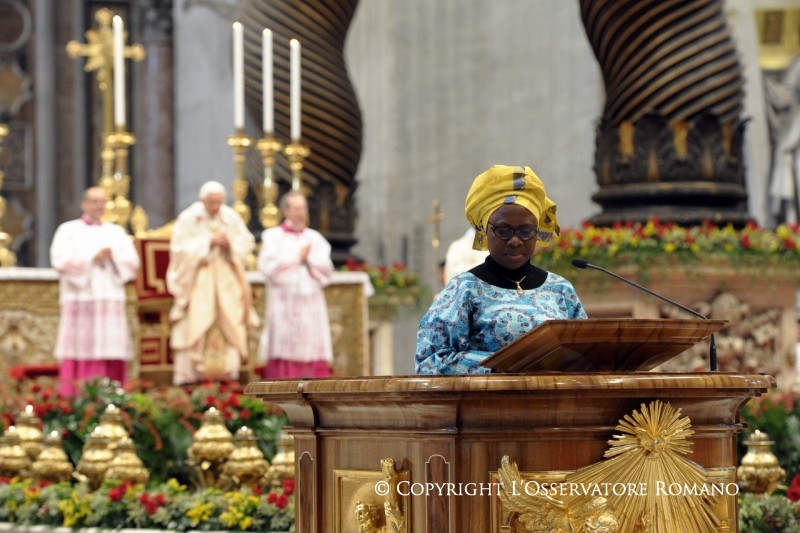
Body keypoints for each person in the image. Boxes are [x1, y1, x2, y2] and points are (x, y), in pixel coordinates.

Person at [415, 164, 587, 375]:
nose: (515, 241)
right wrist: (502, 365)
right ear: (485, 231)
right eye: (504, 230)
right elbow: (429, 361)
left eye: (526, 230)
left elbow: (587, 353)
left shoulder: (561, 289)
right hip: (492, 397)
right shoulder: (464, 289)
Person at [50, 186, 141, 397]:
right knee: (81, 347)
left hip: (110, 299)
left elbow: (132, 264)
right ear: (84, 204)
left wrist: (114, 258)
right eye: (94, 201)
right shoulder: (68, 230)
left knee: (110, 347)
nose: (99, 206)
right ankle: (77, 396)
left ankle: (113, 397)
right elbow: (60, 261)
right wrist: (92, 257)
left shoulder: (116, 232)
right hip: (82, 298)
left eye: (102, 202)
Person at [166, 180, 258, 386]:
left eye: (219, 202)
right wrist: (208, 242)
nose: (216, 207)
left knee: (230, 317)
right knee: (197, 318)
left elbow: (247, 242)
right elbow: (179, 249)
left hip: (226, 279)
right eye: (212, 202)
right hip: (199, 279)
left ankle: (228, 374)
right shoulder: (189, 218)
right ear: (203, 200)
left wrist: (230, 245)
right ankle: (191, 374)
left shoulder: (230, 217)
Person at [258, 191, 334, 378]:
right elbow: (269, 268)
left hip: (311, 303)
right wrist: (297, 258)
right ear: (285, 211)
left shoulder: (315, 238)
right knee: (285, 345)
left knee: (312, 345)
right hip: (284, 303)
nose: (301, 213)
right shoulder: (272, 237)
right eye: (296, 208)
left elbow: (326, 271)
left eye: (303, 208)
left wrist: (308, 260)